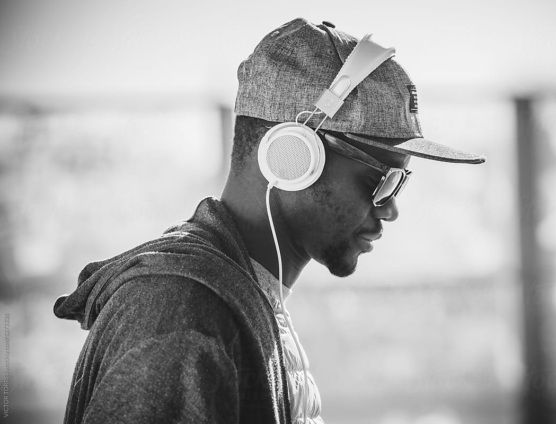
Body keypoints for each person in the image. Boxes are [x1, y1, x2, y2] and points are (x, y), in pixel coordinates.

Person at [54, 17, 484, 424]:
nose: (390, 208)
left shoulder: (238, 297)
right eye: (379, 179)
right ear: (292, 156)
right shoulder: (180, 312)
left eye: (399, 182)